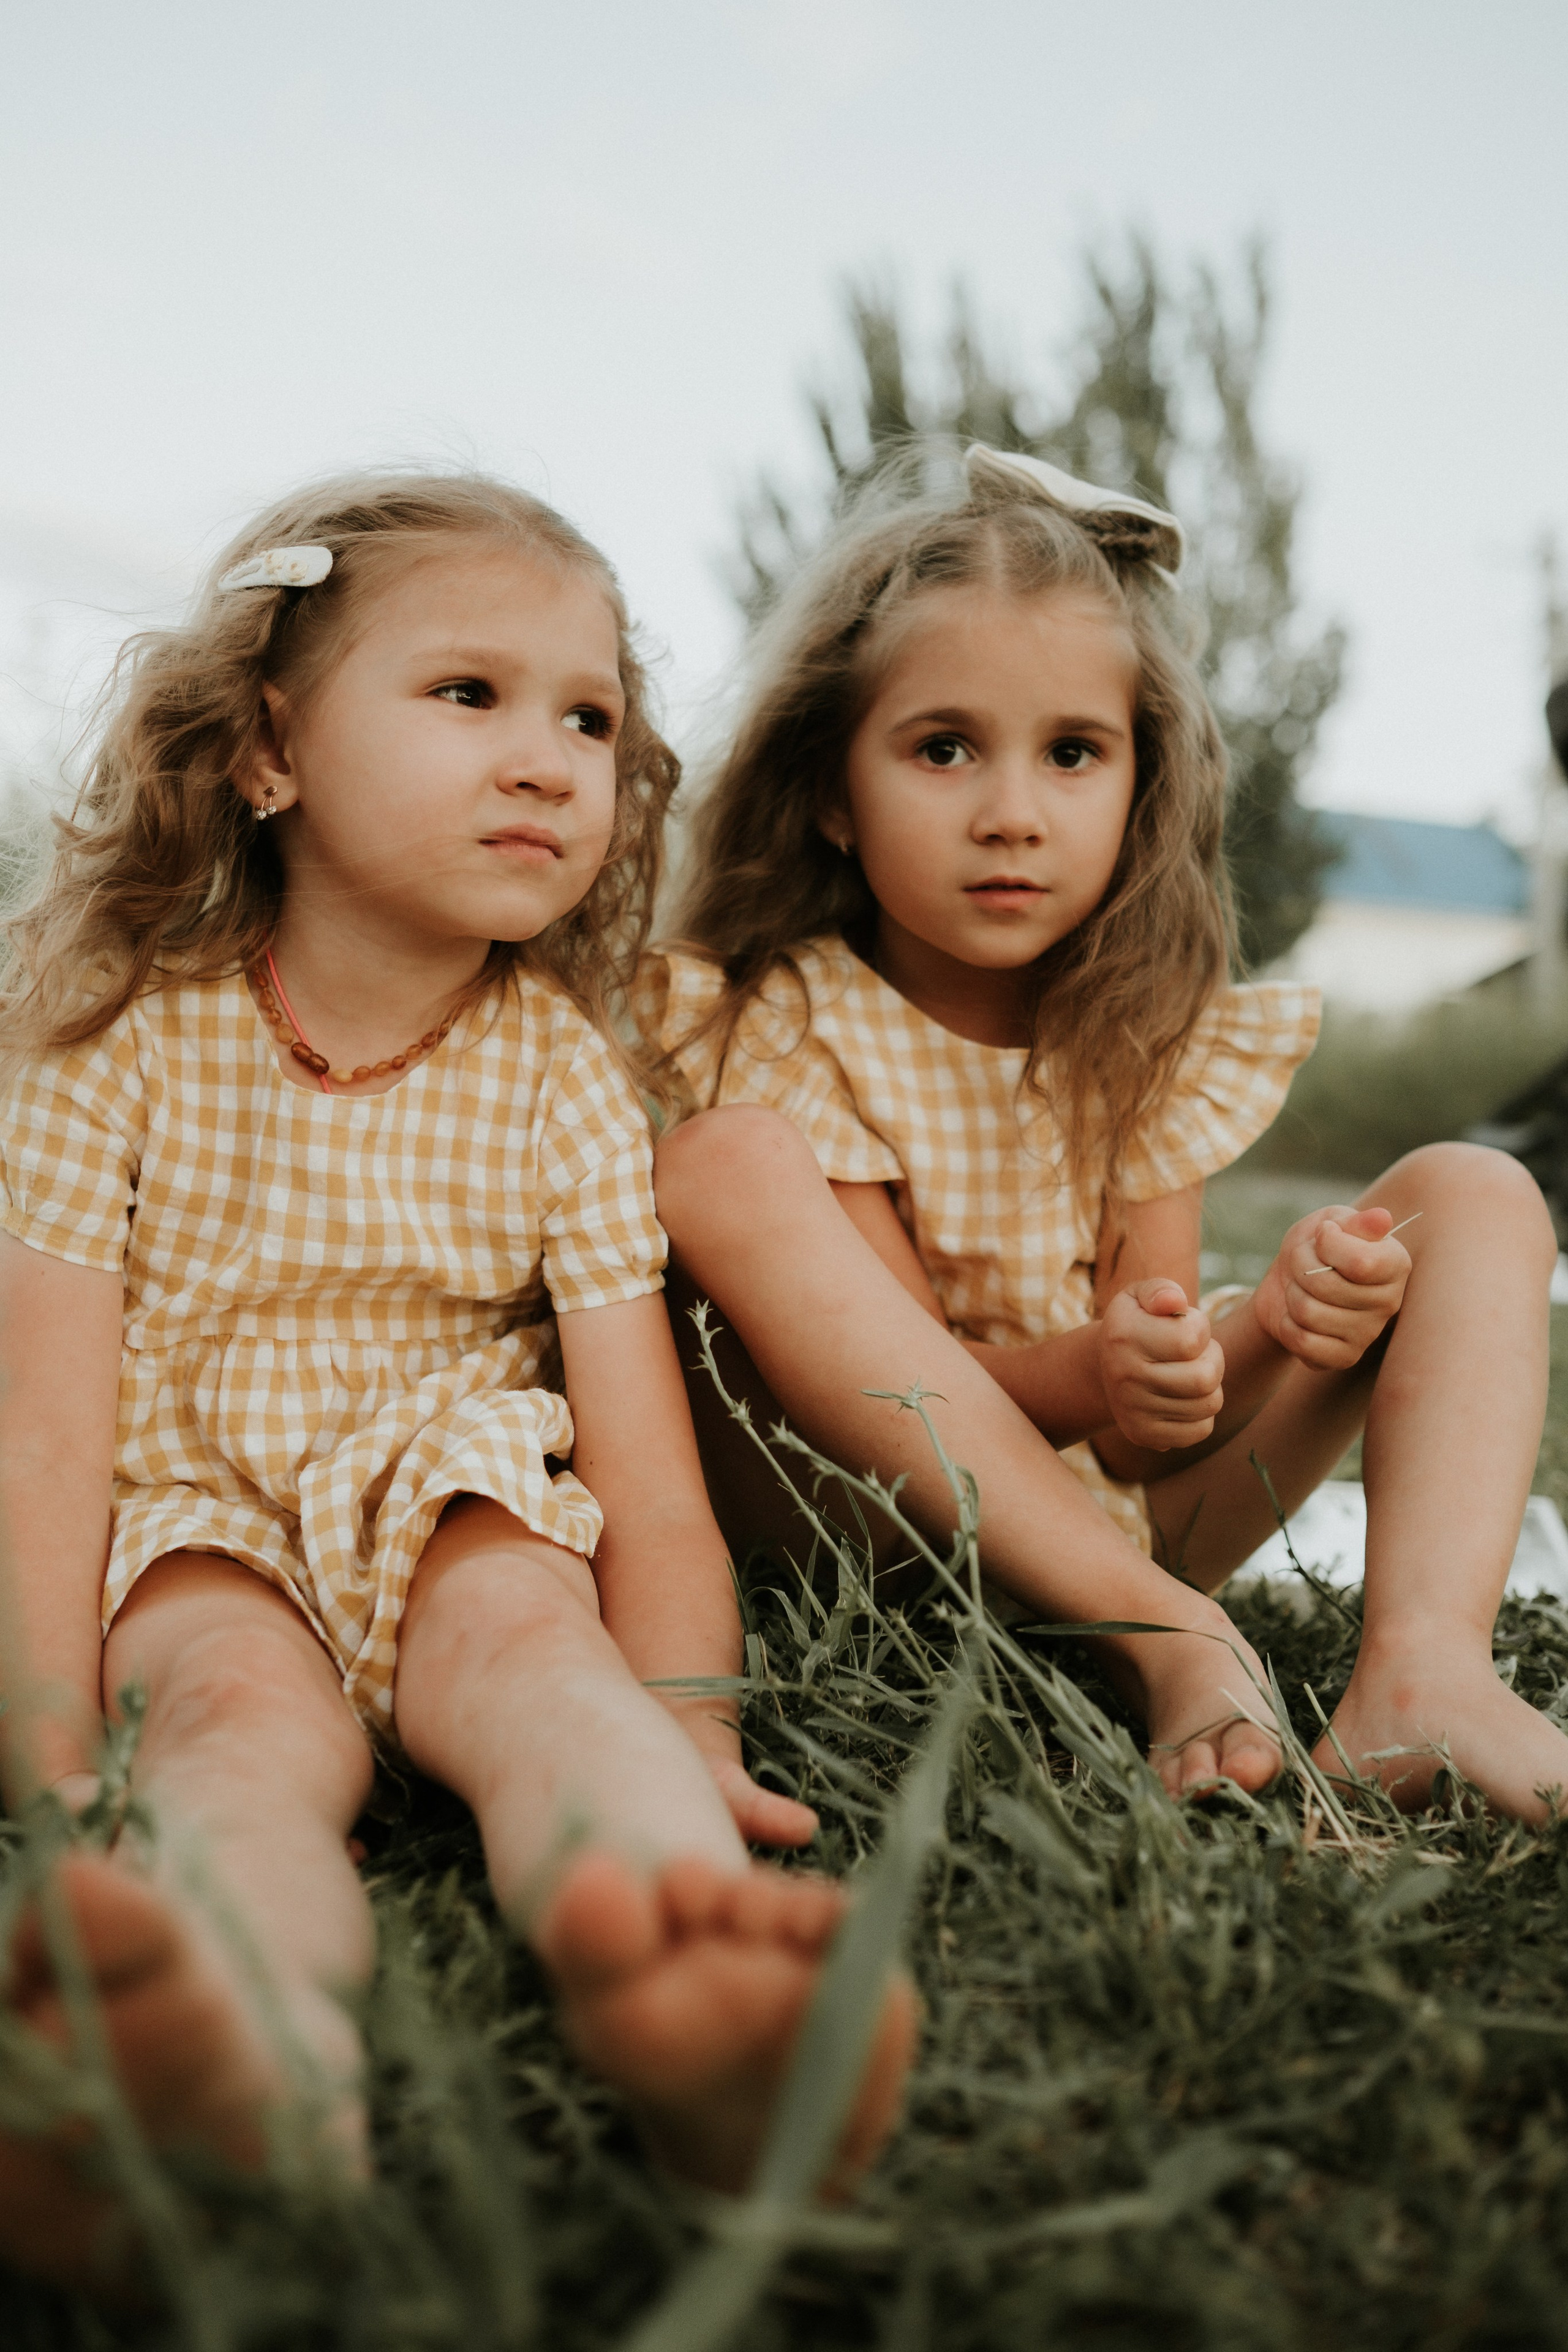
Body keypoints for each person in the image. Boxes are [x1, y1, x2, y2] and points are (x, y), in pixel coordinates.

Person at [0, 474, 913, 2283]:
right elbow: (39, 1431)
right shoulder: (109, 1045)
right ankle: (233, 2046)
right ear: (270, 748)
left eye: (590, 719)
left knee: (551, 1680)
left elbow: (644, 1476)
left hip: (454, 1497)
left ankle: (687, 1963)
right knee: (237, 1740)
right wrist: (37, 1735)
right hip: (194, 1528)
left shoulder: (563, 1077)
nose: (548, 760)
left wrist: (698, 1722)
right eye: (470, 696)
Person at [641, 443, 1568, 1826]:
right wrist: (1100, 1370)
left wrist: (1270, 1326)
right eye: (942, 747)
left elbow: (1141, 1444)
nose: (1010, 813)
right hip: (873, 1533)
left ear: (1138, 789)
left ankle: (1420, 1674)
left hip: (1111, 1529)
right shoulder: (790, 1021)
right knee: (726, 1167)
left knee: (1474, 1191)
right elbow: (898, 1414)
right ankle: (1170, 1636)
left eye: (1071, 753)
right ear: (832, 788)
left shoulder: (1137, 1037)